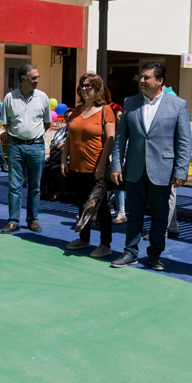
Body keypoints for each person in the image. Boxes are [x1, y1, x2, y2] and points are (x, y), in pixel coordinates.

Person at [109, 62, 191, 271]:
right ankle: (130, 253)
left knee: (160, 215)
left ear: (160, 81)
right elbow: (120, 138)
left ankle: (155, 255)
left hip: (163, 170)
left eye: (147, 78)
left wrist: (181, 171)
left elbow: (184, 141)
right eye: (141, 77)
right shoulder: (130, 102)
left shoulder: (178, 105)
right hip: (135, 169)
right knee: (133, 214)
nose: (142, 81)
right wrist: (116, 166)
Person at [62, 73, 117, 258]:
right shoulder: (77, 110)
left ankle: (105, 244)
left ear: (97, 88)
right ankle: (84, 239)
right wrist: (64, 158)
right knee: (82, 204)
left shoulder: (105, 110)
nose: (84, 89)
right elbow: (70, 135)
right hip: (76, 166)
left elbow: (110, 139)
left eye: (89, 86)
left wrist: (102, 166)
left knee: (100, 207)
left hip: (95, 168)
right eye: (82, 86)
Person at [0, 64, 52, 235]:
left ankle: (33, 220)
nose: (37, 80)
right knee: (14, 186)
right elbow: (5, 123)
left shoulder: (43, 97)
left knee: (35, 186)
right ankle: (13, 221)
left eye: (37, 77)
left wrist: (32, 135)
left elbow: (47, 123)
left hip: (37, 146)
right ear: (22, 79)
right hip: (16, 146)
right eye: (33, 77)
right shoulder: (9, 98)